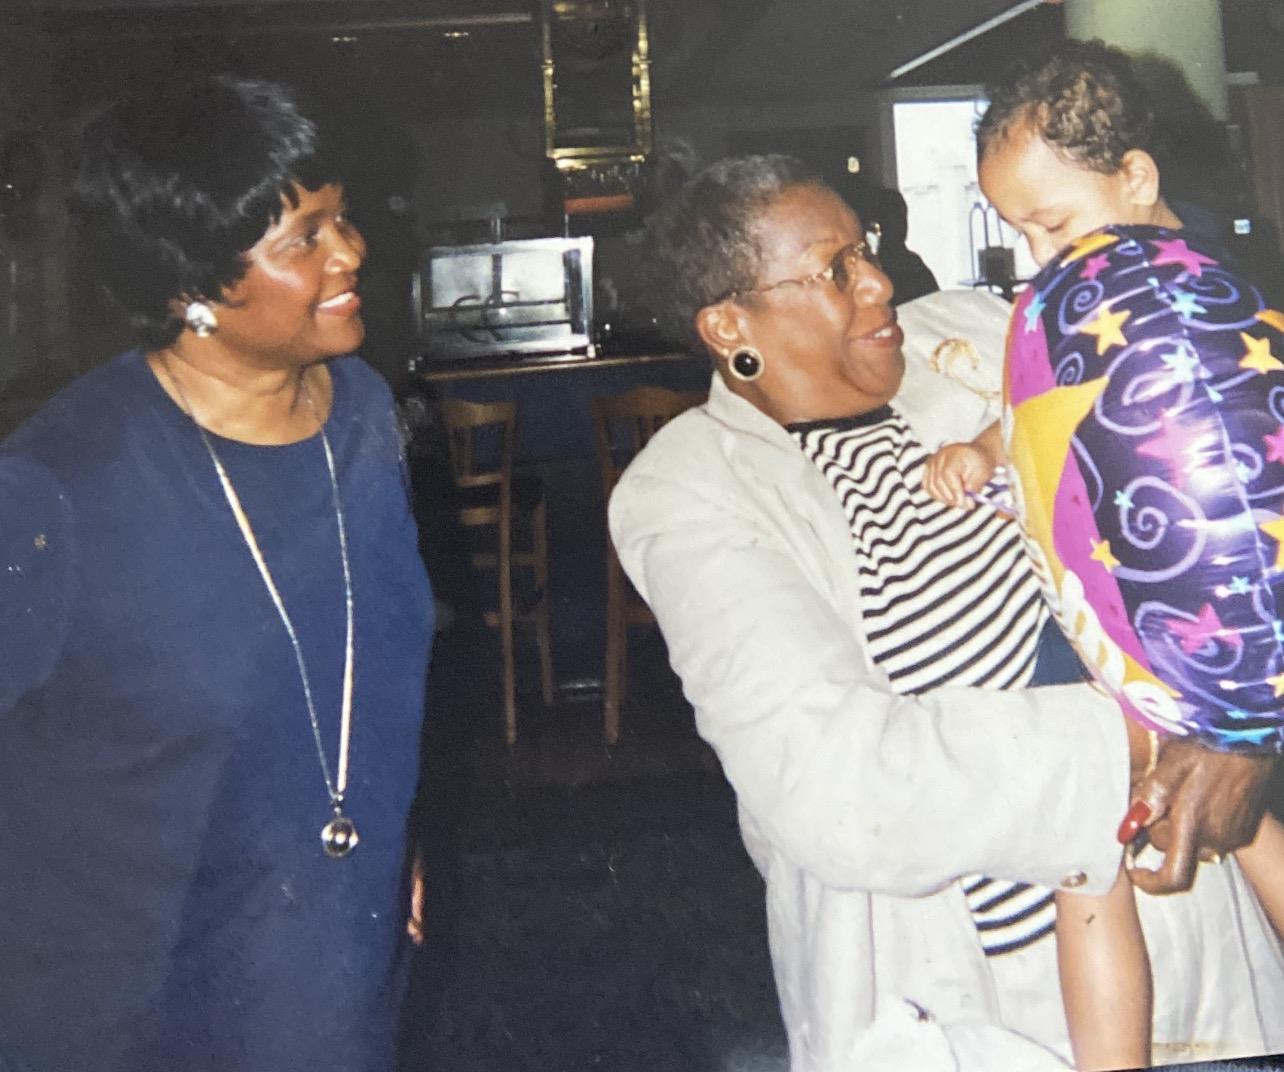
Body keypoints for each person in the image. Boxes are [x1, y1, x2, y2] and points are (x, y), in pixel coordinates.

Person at [609, 152, 1284, 1071]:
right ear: (731, 325)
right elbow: (841, 788)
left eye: (867, 248)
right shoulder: (689, 489)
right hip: (964, 1000)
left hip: (1185, 933)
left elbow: (1220, 486)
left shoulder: (976, 333)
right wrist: (1167, 729)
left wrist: (1243, 723)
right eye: (836, 269)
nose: (881, 280)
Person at [0, 76, 432, 1071]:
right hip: (132, 1002)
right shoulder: (61, 483)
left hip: (332, 955)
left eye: (342, 218)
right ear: (185, 288)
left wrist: (393, 828)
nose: (351, 251)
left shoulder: (364, 414)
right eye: (305, 238)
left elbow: (360, 666)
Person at [925, 40, 1284, 1071]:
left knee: (1193, 830)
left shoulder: (1195, 296)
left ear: (1136, 176)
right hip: (1108, 626)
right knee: (1089, 857)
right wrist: (988, 452)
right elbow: (1047, 415)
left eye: (1052, 222)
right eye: (1019, 232)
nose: (1040, 253)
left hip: (1207, 634)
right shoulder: (1077, 304)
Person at [858, 184, 939, 305]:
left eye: (902, 219)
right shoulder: (871, 272)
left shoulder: (913, 265)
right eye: (892, 220)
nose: (901, 226)